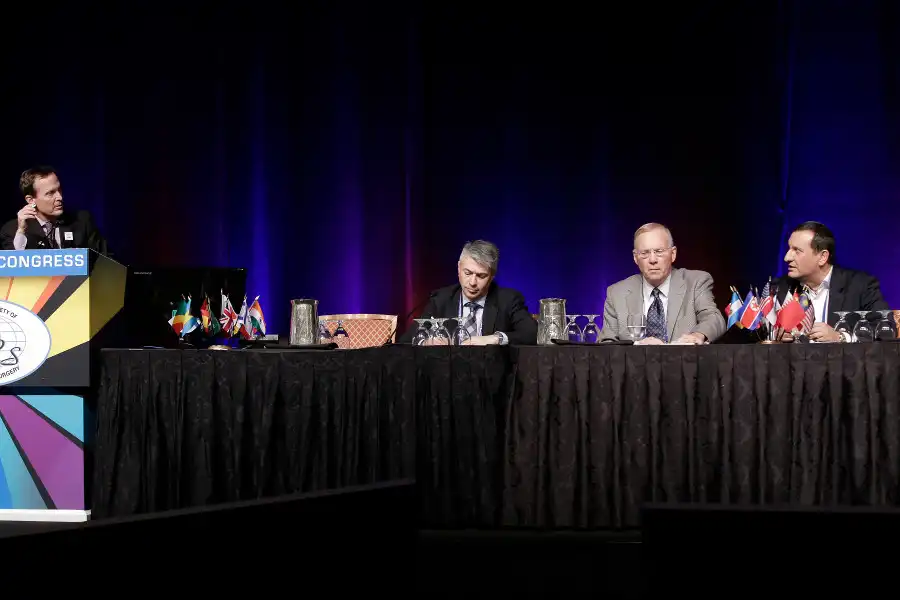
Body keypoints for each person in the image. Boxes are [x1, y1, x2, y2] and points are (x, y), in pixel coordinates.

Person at [599, 222, 726, 344]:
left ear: (673, 254)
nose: (652, 260)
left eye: (659, 251)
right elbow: (606, 343)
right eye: (645, 253)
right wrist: (636, 346)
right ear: (635, 257)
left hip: (683, 358)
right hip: (635, 360)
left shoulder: (695, 282)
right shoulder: (617, 293)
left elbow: (714, 319)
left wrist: (697, 335)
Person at [398, 239, 538, 345]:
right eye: (468, 273)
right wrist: (426, 342)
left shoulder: (508, 300)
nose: (472, 282)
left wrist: (496, 338)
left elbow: (532, 333)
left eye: (481, 276)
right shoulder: (441, 298)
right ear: (459, 269)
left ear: (492, 276)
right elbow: (406, 340)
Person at [775, 221, 889, 342]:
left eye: (797, 250)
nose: (787, 257)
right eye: (789, 249)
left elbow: (885, 330)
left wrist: (841, 337)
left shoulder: (860, 285)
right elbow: (762, 330)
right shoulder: (780, 287)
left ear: (822, 257)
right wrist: (776, 335)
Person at [0, 165, 108, 254]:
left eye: (59, 190)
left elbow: (107, 259)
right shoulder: (12, 230)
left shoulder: (82, 221)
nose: (59, 197)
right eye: (50, 193)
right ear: (31, 200)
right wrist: (21, 231)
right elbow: (13, 269)